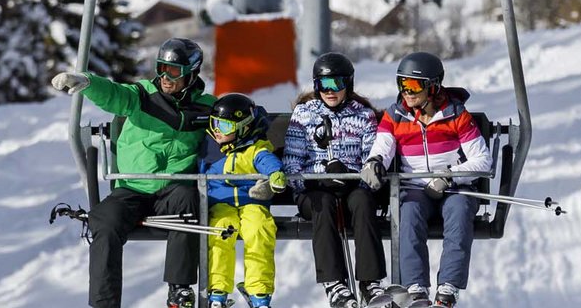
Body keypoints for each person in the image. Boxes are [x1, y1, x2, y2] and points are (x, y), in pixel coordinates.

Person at [52, 38, 216, 308]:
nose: (165, 76)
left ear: (191, 72)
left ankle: (179, 289)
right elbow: (116, 95)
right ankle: (104, 303)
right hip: (133, 188)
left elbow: (236, 122)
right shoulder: (142, 95)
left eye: (173, 71)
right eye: (161, 67)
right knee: (104, 221)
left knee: (189, 201)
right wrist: (89, 82)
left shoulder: (206, 107)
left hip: (174, 189)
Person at [360, 52, 491, 308]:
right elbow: (383, 147)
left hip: (453, 187)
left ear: (433, 86)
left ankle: (447, 289)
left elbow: (482, 160)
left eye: (414, 85)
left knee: (460, 210)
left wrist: (449, 177)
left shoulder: (456, 115)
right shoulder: (396, 116)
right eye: (402, 84)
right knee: (408, 213)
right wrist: (375, 163)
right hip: (415, 186)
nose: (407, 92)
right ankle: (415, 289)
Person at [283, 53, 388, 308]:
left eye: (336, 84)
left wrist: (355, 179)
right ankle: (334, 283)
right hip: (315, 192)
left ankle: (369, 282)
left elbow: (370, 158)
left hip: (352, 187)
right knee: (324, 203)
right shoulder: (304, 114)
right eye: (323, 85)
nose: (330, 92)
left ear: (348, 84)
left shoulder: (363, 116)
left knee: (364, 201)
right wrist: (317, 178)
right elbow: (291, 162)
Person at [201, 92, 287, 308]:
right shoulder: (212, 150)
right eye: (215, 124)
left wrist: (275, 176)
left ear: (243, 127)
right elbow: (197, 170)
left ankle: (259, 292)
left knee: (260, 230)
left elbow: (269, 162)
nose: (218, 131)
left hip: (252, 203)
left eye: (226, 127)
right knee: (220, 231)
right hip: (222, 205)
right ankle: (217, 292)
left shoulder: (256, 149)